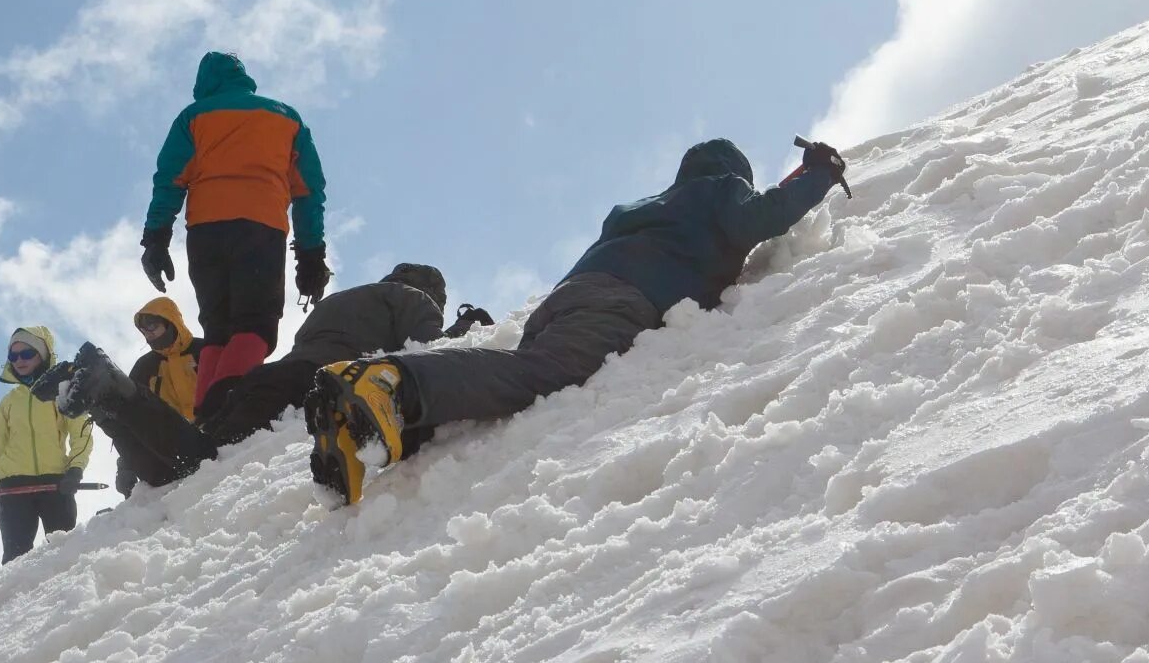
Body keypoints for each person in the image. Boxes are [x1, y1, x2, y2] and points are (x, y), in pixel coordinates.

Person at [309, 138, 848, 502]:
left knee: (519, 374)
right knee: (539, 374)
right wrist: (820, 173)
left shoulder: (640, 207)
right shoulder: (720, 190)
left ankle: (374, 432)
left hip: (570, 297)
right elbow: (759, 217)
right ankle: (391, 384)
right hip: (619, 301)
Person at [39, 264, 482, 492]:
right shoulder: (411, 299)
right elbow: (426, 350)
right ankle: (114, 388)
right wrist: (464, 331)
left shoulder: (343, 301)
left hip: (269, 379)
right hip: (307, 383)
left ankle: (103, 396)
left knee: (166, 471)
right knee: (200, 459)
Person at [139, 51, 328, 408]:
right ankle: (224, 410)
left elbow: (168, 180)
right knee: (255, 326)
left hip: (206, 233)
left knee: (217, 330)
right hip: (261, 228)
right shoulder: (285, 118)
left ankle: (205, 415)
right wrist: (310, 255)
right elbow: (308, 192)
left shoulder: (192, 118)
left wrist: (156, 239)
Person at [0, 326, 93, 562]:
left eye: (27, 354)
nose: (19, 361)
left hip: (56, 484)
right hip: (12, 488)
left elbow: (81, 433)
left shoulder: (62, 392)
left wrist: (75, 469)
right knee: (15, 559)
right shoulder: (8, 403)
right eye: (13, 356)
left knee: (64, 554)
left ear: (44, 355)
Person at [117, 297, 200, 495]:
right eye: (143, 330)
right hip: (168, 447)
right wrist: (125, 465)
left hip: (212, 436)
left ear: (170, 321)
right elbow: (130, 417)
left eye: (152, 326)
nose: (148, 334)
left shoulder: (204, 350)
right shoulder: (144, 367)